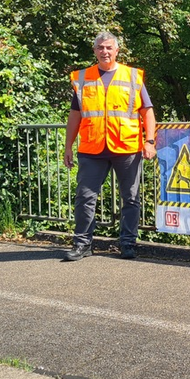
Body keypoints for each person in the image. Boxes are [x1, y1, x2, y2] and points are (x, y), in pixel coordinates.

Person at [63, 32, 157, 261]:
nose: (104, 51)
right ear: (94, 51)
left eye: (109, 47)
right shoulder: (82, 78)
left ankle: (127, 243)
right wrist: (68, 146)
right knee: (85, 197)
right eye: (100, 47)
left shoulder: (132, 76)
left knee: (131, 197)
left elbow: (148, 112)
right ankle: (83, 244)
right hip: (92, 148)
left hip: (126, 147)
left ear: (117, 50)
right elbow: (75, 115)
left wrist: (150, 141)